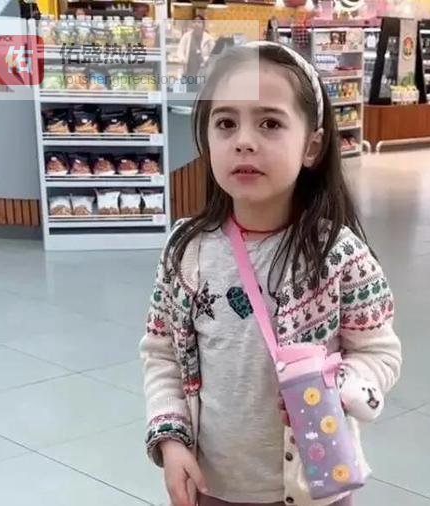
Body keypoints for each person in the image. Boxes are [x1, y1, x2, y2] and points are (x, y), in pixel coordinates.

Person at [140, 42, 402, 506]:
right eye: (226, 123)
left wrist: (341, 386)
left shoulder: (340, 254)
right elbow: (162, 354)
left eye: (270, 123)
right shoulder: (185, 252)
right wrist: (171, 439)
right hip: (213, 486)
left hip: (315, 484)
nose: (244, 140)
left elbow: (379, 352)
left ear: (312, 146)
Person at [175, 15, 215, 91]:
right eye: (194, 22)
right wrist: (183, 59)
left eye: (199, 22)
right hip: (189, 70)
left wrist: (205, 59)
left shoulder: (209, 39)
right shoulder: (186, 36)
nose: (196, 24)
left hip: (203, 71)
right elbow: (180, 50)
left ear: (203, 25)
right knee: (189, 90)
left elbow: (213, 54)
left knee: (201, 91)